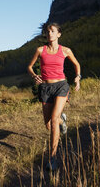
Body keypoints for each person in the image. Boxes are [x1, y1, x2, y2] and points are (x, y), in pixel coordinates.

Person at [27, 22, 81, 171]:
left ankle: (53, 158)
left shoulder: (65, 50)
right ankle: (62, 121)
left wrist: (78, 77)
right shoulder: (40, 50)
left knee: (54, 119)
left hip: (61, 86)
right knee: (49, 124)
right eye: (47, 31)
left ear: (58, 34)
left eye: (52, 31)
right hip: (45, 88)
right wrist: (34, 76)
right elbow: (29, 67)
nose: (49, 33)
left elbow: (77, 65)